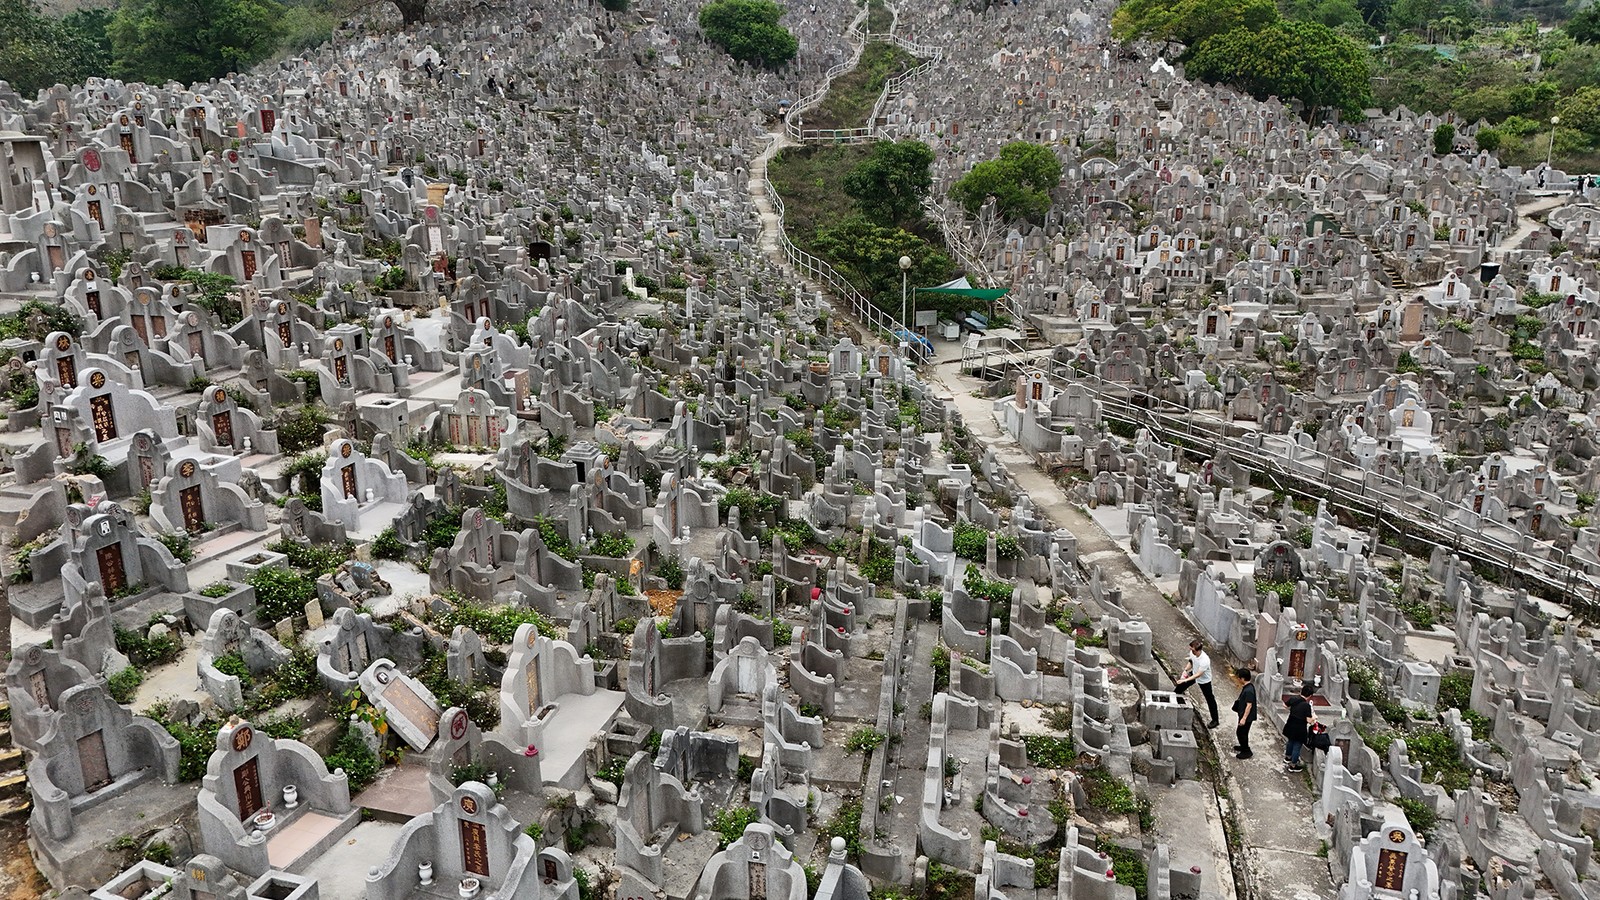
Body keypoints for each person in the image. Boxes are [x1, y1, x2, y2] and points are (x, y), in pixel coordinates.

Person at [1173, 638, 1218, 728]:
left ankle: (1215, 720)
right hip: (1194, 672)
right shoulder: (1192, 653)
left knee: (1209, 699)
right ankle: (1174, 701)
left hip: (1204, 680)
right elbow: (1191, 662)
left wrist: (1185, 680)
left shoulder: (1205, 660)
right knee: (1179, 688)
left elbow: (1198, 675)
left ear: (1197, 650)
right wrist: (1185, 671)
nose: (1190, 651)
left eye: (1192, 649)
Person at [1282, 682, 1316, 773]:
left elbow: (1285, 705)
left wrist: (1292, 710)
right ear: (1309, 696)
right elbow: (1308, 720)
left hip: (1290, 724)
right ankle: (1293, 765)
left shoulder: (1294, 699)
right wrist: (1314, 718)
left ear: (1301, 691)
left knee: (1290, 741)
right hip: (1299, 728)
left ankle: (1288, 757)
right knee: (1297, 745)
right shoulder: (1306, 706)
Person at [1231, 667, 1256, 759]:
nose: (1238, 679)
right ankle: (1243, 746)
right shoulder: (1248, 687)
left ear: (1242, 678)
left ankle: (1246, 750)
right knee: (1241, 732)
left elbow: (1249, 705)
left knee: (1241, 733)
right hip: (1243, 715)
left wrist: (1244, 718)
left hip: (1247, 717)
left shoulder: (1249, 691)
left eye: (1239, 677)